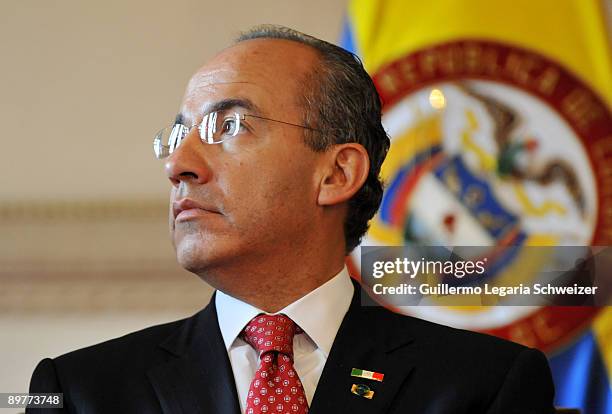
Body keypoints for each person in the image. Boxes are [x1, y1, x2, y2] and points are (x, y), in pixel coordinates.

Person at [28, 25, 555, 414]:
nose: (177, 165)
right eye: (177, 136)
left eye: (229, 125)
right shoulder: (78, 391)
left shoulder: (484, 386)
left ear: (337, 172)